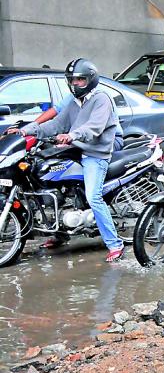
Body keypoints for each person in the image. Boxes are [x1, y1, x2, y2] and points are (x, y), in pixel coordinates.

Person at [9, 59, 125, 261]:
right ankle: (60, 233)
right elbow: (54, 124)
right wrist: (24, 131)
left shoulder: (101, 99)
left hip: (96, 154)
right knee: (49, 181)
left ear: (90, 80)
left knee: (93, 197)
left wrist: (72, 136)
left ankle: (115, 244)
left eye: (80, 80)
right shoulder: (74, 103)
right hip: (77, 149)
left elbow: (94, 127)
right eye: (72, 80)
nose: (75, 84)